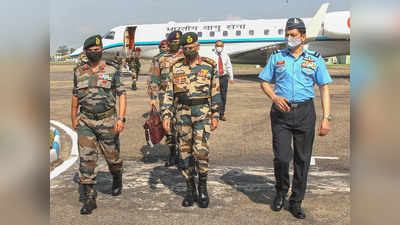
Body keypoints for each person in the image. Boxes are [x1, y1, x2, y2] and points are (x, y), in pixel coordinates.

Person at [258, 18, 332, 219]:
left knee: (302, 159)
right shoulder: (276, 57)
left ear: (303, 37)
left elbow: (324, 87)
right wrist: (274, 97)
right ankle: (281, 191)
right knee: (282, 157)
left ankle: (296, 200)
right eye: (287, 34)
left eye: (293, 35)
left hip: (305, 112)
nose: (289, 38)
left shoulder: (315, 58)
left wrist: (327, 117)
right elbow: (264, 82)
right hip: (281, 113)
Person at [161, 32, 221, 208]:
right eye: (185, 48)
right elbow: (168, 93)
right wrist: (166, 114)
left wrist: (215, 115)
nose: (188, 50)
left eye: (191, 48)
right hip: (182, 115)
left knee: (201, 152)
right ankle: (190, 189)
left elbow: (216, 93)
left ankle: (203, 187)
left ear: (198, 46)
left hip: (202, 114)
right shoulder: (176, 67)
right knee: (185, 154)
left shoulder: (209, 66)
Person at [71, 34, 127, 215]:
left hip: (108, 120)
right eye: (92, 50)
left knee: (113, 158)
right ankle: (89, 198)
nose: (96, 52)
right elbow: (75, 95)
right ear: (86, 52)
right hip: (86, 121)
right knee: (86, 160)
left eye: (98, 50)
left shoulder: (111, 70)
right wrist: (73, 117)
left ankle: (117, 177)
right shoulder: (78, 71)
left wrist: (121, 118)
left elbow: (121, 94)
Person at [150, 31, 184, 167]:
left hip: (182, 96)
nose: (175, 44)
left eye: (177, 42)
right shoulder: (160, 58)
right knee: (168, 125)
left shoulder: (185, 57)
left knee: (182, 124)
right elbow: (154, 78)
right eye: (173, 42)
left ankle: (184, 154)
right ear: (168, 43)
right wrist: (152, 97)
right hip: (165, 96)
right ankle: (172, 154)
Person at [211, 40, 233, 121]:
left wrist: (231, 77)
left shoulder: (225, 56)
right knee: (214, 96)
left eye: (220, 46)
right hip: (215, 78)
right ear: (215, 46)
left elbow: (229, 66)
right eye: (217, 45)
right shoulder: (211, 55)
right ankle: (213, 114)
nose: (219, 47)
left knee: (223, 96)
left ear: (223, 47)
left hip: (223, 78)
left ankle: (221, 114)